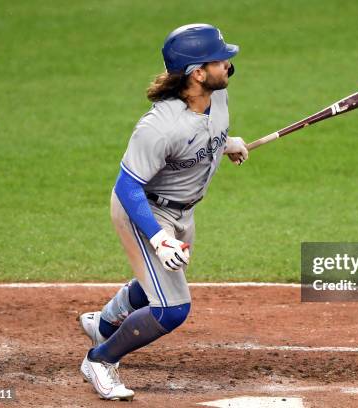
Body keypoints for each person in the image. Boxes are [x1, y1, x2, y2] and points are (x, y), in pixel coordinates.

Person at [78, 23, 248, 401]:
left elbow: (201, 139)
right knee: (172, 309)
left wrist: (226, 143)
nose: (229, 65)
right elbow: (128, 185)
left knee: (158, 280)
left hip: (183, 213)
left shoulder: (215, 96)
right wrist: (158, 239)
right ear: (197, 74)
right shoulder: (158, 127)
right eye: (220, 60)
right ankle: (99, 359)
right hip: (144, 212)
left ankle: (105, 322)